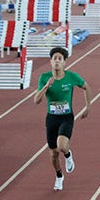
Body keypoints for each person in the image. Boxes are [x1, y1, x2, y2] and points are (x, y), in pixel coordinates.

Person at [34, 47, 91, 191]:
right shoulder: (44, 77)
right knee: (53, 154)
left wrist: (87, 107)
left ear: (64, 63)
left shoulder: (71, 77)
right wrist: (46, 87)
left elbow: (86, 87)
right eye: (55, 58)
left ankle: (68, 155)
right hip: (51, 118)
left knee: (62, 146)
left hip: (66, 117)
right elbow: (36, 100)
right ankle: (59, 176)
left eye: (60, 59)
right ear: (51, 62)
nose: (57, 61)